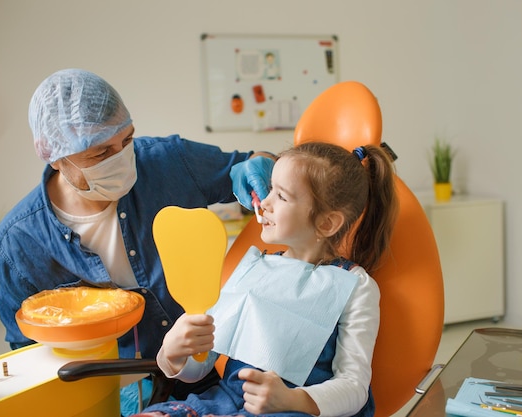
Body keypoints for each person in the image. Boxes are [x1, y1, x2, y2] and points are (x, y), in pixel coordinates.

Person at [0, 68, 275, 414]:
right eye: (99, 153)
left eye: (126, 140)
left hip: (213, 373)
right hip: (115, 391)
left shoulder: (168, 161)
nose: (121, 157)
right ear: (56, 156)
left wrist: (259, 166)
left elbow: (250, 163)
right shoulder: (20, 243)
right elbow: (28, 358)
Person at [137, 141, 399, 417]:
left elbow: (353, 387)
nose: (264, 202)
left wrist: (291, 399)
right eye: (270, 189)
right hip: (226, 403)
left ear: (327, 223)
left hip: (293, 410)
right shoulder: (253, 268)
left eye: (282, 196)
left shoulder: (354, 285)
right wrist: (173, 353)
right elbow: (200, 366)